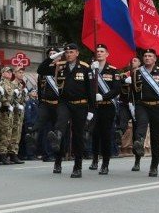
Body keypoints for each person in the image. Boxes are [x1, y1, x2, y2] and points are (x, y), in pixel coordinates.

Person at [47, 43, 95, 178]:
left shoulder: (85, 68)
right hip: (64, 103)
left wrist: (92, 109)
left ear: (77, 53)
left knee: (78, 136)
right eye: (67, 53)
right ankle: (57, 160)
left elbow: (91, 90)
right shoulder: (60, 66)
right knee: (60, 128)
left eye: (71, 52)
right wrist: (53, 57)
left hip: (80, 104)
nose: (69, 55)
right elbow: (42, 69)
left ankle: (77, 166)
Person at [126, 48, 159, 177]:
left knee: (155, 137)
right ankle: (139, 142)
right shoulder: (137, 73)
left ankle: (154, 166)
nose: (147, 58)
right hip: (142, 105)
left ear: (155, 59)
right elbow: (133, 92)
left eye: (150, 56)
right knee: (141, 124)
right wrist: (132, 104)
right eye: (145, 56)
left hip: (158, 107)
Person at [89, 44, 122, 175]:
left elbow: (116, 89)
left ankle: (105, 163)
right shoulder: (91, 69)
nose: (99, 53)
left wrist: (103, 96)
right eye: (97, 51)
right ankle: (95, 159)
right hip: (94, 107)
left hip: (107, 105)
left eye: (102, 51)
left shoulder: (113, 70)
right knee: (94, 133)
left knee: (106, 135)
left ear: (107, 54)